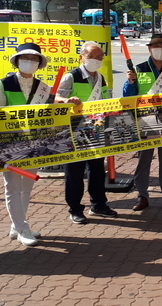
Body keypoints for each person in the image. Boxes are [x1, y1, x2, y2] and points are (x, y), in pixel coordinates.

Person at [0, 43, 53, 247]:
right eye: (25, 58)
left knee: (27, 185)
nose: (29, 62)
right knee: (12, 187)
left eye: (34, 59)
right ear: (17, 61)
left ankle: (16, 226)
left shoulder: (43, 87)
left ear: (39, 63)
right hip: (10, 144)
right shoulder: (4, 83)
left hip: (34, 143)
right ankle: (22, 228)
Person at [56, 41, 117, 224]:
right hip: (73, 131)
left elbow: (106, 99)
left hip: (95, 130)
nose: (96, 61)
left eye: (99, 57)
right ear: (81, 57)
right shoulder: (71, 76)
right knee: (74, 173)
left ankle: (98, 204)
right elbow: (55, 97)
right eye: (91, 57)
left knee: (97, 170)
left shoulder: (101, 78)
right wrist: (66, 100)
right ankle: (75, 209)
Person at [123, 34, 162, 211]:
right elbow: (129, 97)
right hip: (146, 119)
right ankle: (142, 195)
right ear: (149, 48)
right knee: (144, 159)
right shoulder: (139, 69)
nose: (160, 49)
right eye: (156, 46)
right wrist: (130, 82)